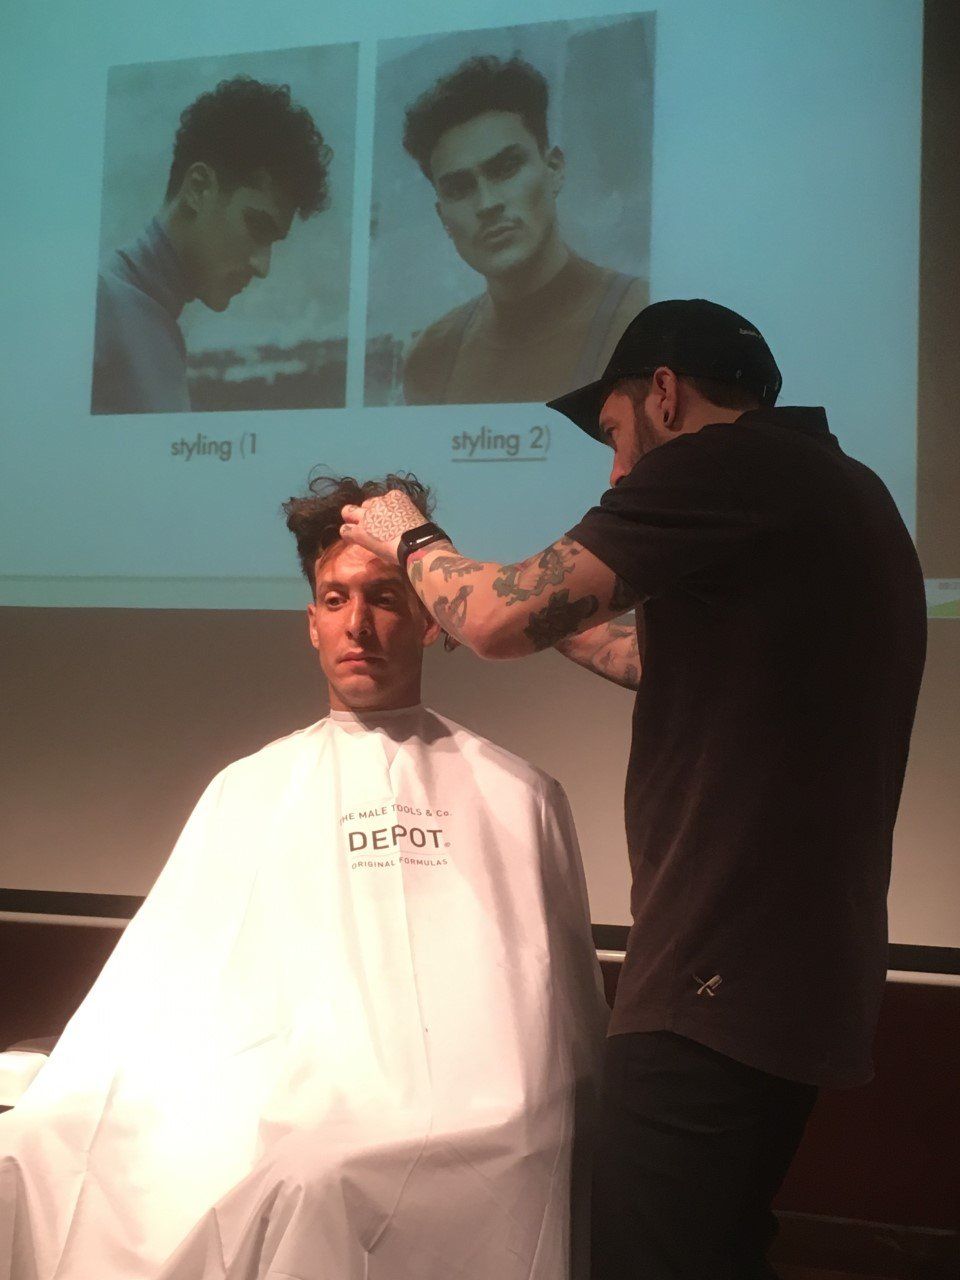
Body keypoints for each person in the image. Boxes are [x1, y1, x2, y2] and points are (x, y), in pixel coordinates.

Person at [340, 300, 928, 1279]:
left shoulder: (728, 463)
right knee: (716, 1248)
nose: (617, 468)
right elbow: (648, 655)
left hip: (720, 975)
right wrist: (513, 608)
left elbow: (494, 619)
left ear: (662, 393)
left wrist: (414, 539)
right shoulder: (841, 490)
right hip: (794, 975)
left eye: (614, 433)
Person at [0, 473, 607, 1280]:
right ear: (310, 625)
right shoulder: (248, 787)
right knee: (32, 1141)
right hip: (250, 1096)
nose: (358, 624)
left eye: (386, 597)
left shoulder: (517, 795)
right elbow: (174, 987)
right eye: (334, 600)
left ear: (432, 620)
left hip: (454, 1122)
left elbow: (551, 1024)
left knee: (316, 1178)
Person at [400, 55, 648, 405]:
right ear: (443, 216)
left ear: (554, 169)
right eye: (459, 188)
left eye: (506, 168)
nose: (487, 204)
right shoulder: (430, 358)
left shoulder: (642, 321)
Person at [91, 76, 331, 415]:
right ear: (199, 188)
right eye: (257, 226)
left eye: (273, 242)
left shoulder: (153, 319)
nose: (263, 267)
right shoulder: (95, 308)